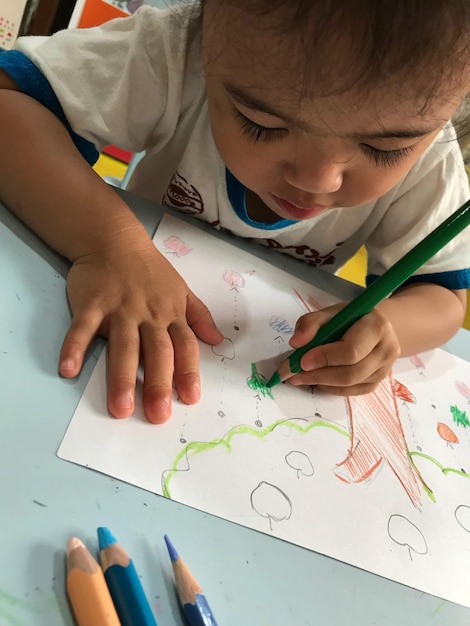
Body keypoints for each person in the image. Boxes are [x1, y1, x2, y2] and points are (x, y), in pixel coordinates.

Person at [0, 1, 469, 424]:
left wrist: (391, 328)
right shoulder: (179, 55)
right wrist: (107, 243)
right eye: (262, 124)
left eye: (385, 148)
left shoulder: (432, 158)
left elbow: (444, 296)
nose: (318, 180)